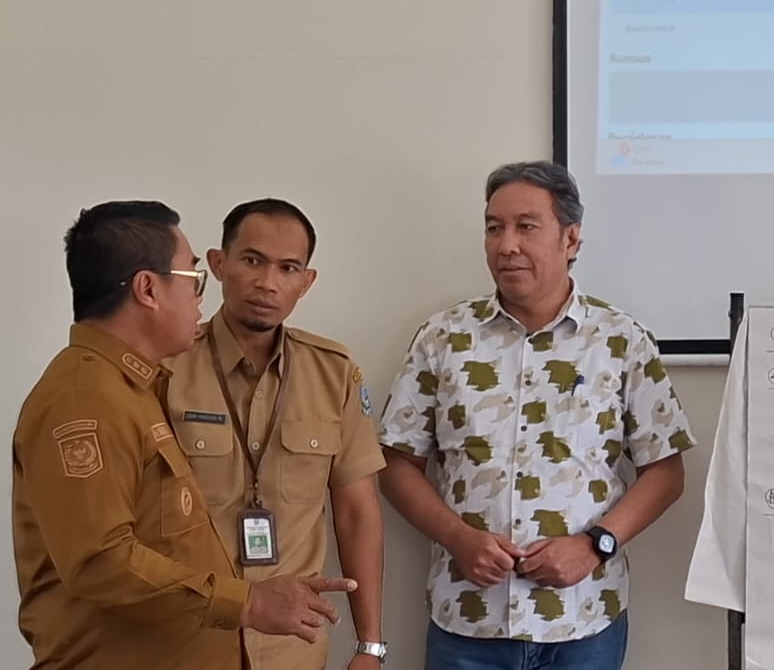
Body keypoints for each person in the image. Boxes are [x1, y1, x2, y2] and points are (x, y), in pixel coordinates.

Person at [12, 200, 358, 670]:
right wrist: (248, 601)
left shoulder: (132, 387)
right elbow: (99, 561)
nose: (200, 297)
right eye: (193, 279)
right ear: (148, 289)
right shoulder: (85, 399)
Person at [378, 161, 696, 670]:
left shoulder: (620, 340)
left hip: (584, 620)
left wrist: (595, 545)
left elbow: (665, 471)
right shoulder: (443, 338)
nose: (507, 245)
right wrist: (458, 538)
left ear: (570, 239)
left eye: (526, 227)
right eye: (494, 228)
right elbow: (396, 463)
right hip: (468, 620)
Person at [162, 198, 389, 670]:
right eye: (252, 261)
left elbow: (357, 513)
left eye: (288, 268)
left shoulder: (334, 373)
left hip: (292, 648)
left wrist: (369, 644)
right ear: (218, 264)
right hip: (187, 642)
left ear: (306, 281)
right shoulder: (165, 368)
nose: (268, 283)